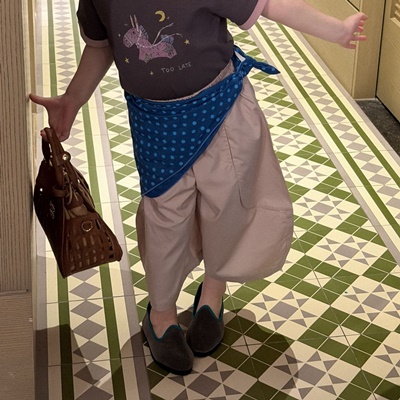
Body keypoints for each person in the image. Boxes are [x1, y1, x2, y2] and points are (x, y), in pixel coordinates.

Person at [30, 0, 367, 376]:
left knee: (227, 205)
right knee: (165, 217)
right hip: (155, 122)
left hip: (221, 107)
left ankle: (213, 293)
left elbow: (271, 5)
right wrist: (73, 98)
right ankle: (161, 314)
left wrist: (336, 30)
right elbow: (102, 45)